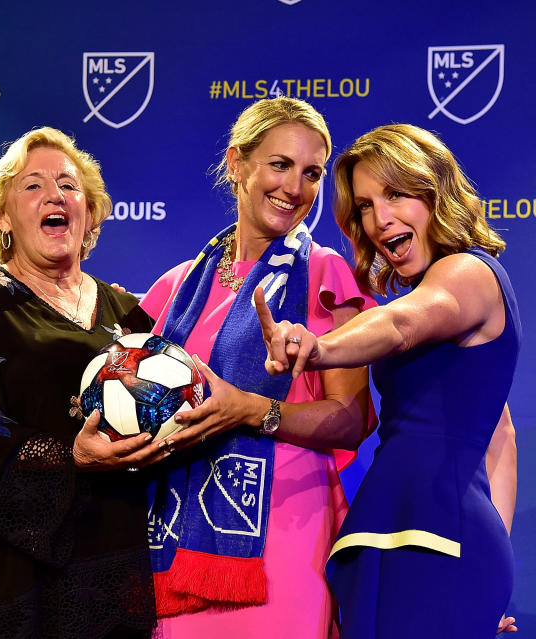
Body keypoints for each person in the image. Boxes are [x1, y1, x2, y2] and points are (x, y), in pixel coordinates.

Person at [257, 123, 520, 637]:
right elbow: (502, 435)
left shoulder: (470, 272)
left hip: (436, 539)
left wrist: (322, 349)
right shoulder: (428, 288)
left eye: (396, 195)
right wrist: (491, 563)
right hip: (394, 532)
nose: (380, 221)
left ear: (435, 189)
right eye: (364, 206)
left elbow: (402, 325)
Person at [140, 97, 376, 638]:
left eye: (312, 173)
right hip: (174, 542)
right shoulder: (173, 291)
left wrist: (252, 411)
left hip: (287, 539)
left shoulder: (325, 273)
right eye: (280, 164)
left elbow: (353, 419)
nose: (295, 188)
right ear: (236, 164)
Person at [0, 127, 165, 639]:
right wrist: (70, 456)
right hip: (4, 582)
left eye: (69, 186)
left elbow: (164, 420)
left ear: (91, 212)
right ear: (4, 217)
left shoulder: (129, 314)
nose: (55, 195)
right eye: (33, 186)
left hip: (111, 567)